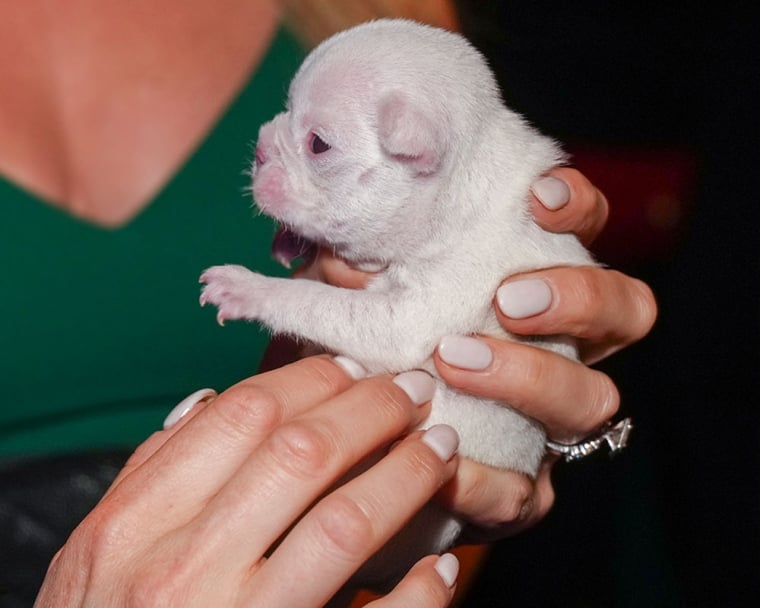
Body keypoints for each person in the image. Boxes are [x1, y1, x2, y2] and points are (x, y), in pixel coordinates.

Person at [0, 1, 656, 606]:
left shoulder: (391, 23)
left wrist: (525, 435)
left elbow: (444, 500)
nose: (267, 140)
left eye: (317, 143)